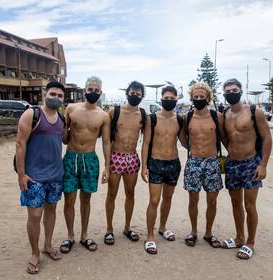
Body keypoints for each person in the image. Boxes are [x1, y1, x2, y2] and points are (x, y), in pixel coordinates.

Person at [16, 81, 67, 274]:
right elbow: (20, 144)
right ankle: (35, 253)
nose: (56, 98)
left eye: (60, 96)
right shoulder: (32, 114)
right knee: (35, 215)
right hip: (34, 177)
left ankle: (47, 245)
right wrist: (21, 175)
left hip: (55, 175)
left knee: (51, 210)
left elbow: (63, 140)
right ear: (45, 94)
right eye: (53, 94)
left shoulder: (62, 118)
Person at [221, 78, 272, 260]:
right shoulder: (225, 114)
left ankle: (250, 242)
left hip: (251, 164)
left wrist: (263, 165)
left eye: (234, 90)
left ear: (241, 91)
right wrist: (231, 152)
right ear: (224, 94)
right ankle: (239, 237)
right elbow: (225, 139)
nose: (231, 93)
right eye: (227, 91)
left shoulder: (254, 112)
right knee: (236, 204)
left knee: (249, 205)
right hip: (233, 164)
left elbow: (267, 138)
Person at [60, 76, 111, 253]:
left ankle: (84, 235)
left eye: (97, 90)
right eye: (90, 89)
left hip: (90, 159)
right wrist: (64, 131)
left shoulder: (103, 115)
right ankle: (70, 236)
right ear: (84, 90)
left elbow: (106, 142)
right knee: (69, 199)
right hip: (71, 157)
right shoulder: (71, 108)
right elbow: (64, 138)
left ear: (101, 92)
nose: (93, 92)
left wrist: (107, 166)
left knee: (86, 199)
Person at [179, 83, 225, 248]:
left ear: (208, 98)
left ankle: (208, 233)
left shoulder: (217, 116)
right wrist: (192, 150)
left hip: (212, 162)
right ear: (192, 98)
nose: (199, 99)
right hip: (194, 162)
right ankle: (193, 231)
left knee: (212, 201)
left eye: (202, 96)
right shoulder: (187, 117)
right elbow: (183, 137)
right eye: (196, 97)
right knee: (193, 200)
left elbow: (224, 138)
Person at [141, 86, 184, 254]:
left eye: (173, 99)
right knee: (154, 200)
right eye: (167, 98)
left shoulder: (179, 119)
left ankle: (162, 227)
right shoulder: (152, 118)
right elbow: (145, 143)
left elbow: (184, 141)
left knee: (168, 198)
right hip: (156, 163)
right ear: (161, 98)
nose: (169, 100)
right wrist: (144, 166)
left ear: (176, 100)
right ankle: (150, 236)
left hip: (173, 163)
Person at [104, 81, 147, 245]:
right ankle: (109, 229)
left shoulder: (143, 115)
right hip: (116, 157)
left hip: (132, 158)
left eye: (138, 93)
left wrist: (144, 166)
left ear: (142, 96)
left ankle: (127, 227)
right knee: (112, 194)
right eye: (132, 92)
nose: (134, 95)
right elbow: (106, 140)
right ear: (127, 92)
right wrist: (107, 166)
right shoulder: (114, 111)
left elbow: (146, 142)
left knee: (130, 194)